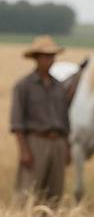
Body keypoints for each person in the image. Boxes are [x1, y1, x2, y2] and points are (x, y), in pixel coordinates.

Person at [10, 35, 71, 206]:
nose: (49, 60)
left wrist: (67, 146)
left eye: (52, 56)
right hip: (36, 142)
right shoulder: (24, 86)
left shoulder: (59, 86)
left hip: (58, 142)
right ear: (36, 58)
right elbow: (17, 122)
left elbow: (65, 119)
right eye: (45, 56)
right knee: (29, 191)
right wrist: (24, 150)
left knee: (54, 193)